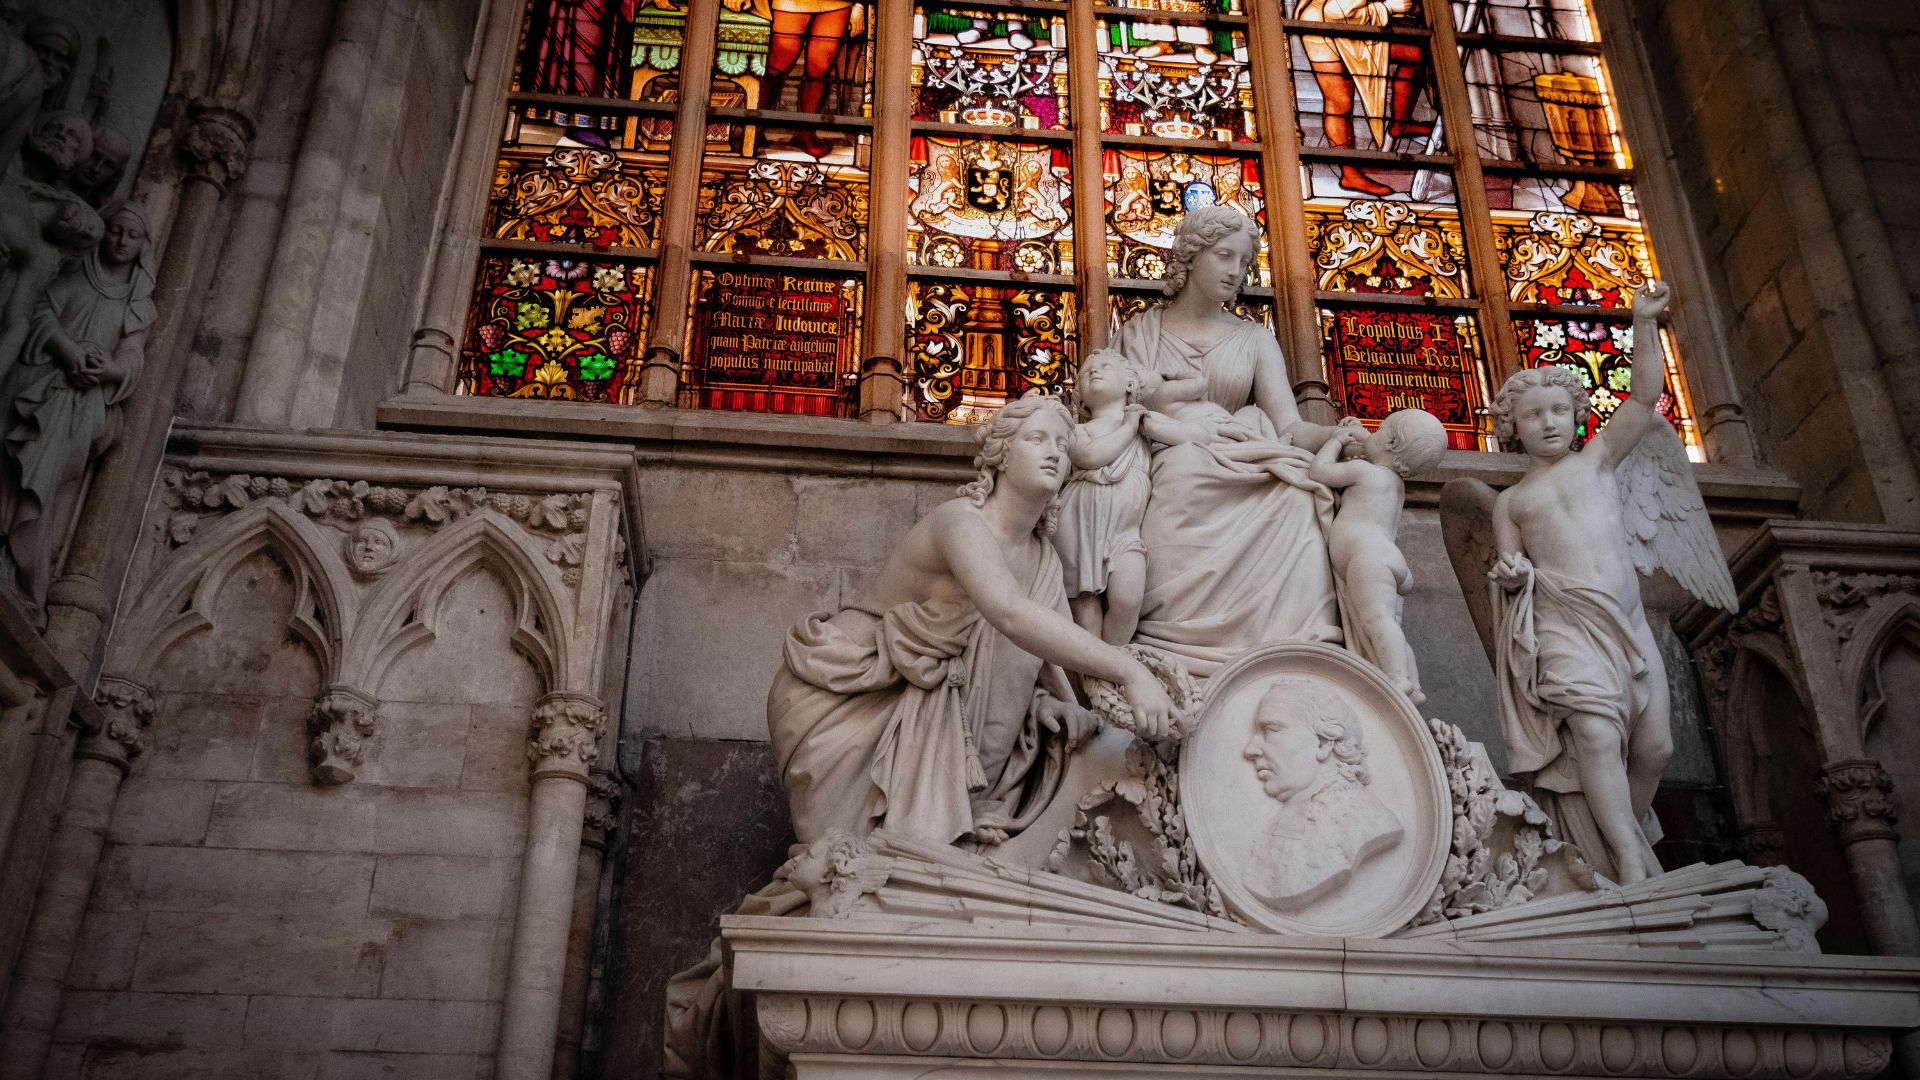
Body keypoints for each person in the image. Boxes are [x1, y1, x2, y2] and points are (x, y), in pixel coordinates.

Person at [769, 393, 1175, 848]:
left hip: (931, 694)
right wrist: (1130, 671)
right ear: (1001, 455)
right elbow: (1009, 613)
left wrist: (1048, 704)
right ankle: (936, 810)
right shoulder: (960, 522)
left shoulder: (1043, 559)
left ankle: (957, 805)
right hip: (851, 700)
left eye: (1063, 446)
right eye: (1037, 439)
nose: (1054, 453)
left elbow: (1039, 660)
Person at [1487, 282, 1675, 885]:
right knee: (1595, 735)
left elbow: (1644, 397)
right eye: (1532, 415)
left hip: (1627, 624)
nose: (1547, 422)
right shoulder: (1511, 502)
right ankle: (1627, 859)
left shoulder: (1597, 461)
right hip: (1563, 625)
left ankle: (1613, 843)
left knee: (1656, 750)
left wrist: (1642, 323)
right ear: (1512, 427)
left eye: (1557, 411)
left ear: (1577, 417)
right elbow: (1510, 570)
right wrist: (1513, 576)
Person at [1112, 206, 1351, 675]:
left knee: (1298, 497)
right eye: (1223, 256)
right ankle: (1173, 643)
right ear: (1190, 256)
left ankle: (1289, 653)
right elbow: (1113, 408)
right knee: (1184, 471)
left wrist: (1337, 435)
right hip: (1167, 456)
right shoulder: (1139, 332)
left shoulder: (1255, 339)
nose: (1234, 271)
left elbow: (1288, 427)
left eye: (1243, 262)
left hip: (1242, 454)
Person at [0, 202, 150, 608]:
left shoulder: (137, 301)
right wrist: (68, 350)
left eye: (133, 235)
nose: (122, 241)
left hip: (80, 403)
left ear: (144, 245)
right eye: (116, 230)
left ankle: (17, 570)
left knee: (44, 482)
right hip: (38, 386)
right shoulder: (74, 274)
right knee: (10, 468)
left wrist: (109, 370)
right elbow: (38, 311)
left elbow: (133, 355)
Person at [1308, 408, 1446, 704]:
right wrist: (1358, 430)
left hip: (1367, 558)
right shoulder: (1395, 484)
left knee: (1377, 620)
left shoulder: (1364, 472)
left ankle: (1397, 678)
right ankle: (1414, 684)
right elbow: (1373, 446)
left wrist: (1334, 442)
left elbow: (1319, 471)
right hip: (1389, 560)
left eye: (1379, 429)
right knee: (1389, 623)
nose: (1372, 433)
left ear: (1391, 443)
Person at [1240, 678, 1403, 910]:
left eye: (1270, 730)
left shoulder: (1366, 823)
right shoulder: (1288, 819)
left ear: (1323, 742)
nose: (1250, 750)